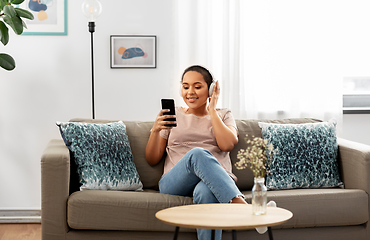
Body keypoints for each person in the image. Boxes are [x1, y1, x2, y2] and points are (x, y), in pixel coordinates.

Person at [145, 65, 246, 240]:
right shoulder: (173, 114)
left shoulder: (224, 115)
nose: (190, 92)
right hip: (175, 182)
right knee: (197, 154)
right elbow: (152, 159)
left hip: (214, 182)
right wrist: (155, 130)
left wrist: (212, 110)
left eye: (197, 86)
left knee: (206, 192)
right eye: (185, 87)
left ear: (211, 89)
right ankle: (239, 204)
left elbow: (227, 144)